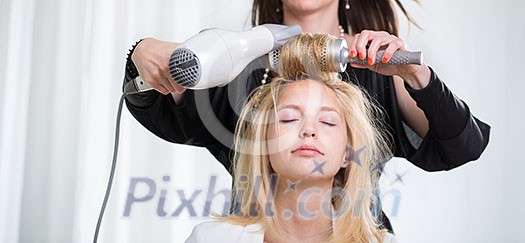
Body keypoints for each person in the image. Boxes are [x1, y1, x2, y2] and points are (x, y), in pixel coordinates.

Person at [123, 0, 490, 232]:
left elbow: (462, 144)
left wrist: (416, 76)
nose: (308, 133)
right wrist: (144, 56)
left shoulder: (380, 73)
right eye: (285, 120)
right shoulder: (237, 67)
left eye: (329, 121)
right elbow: (161, 105)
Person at [186, 33, 399, 243]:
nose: (309, 130)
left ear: (347, 153)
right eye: (289, 118)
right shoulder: (208, 239)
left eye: (327, 121)